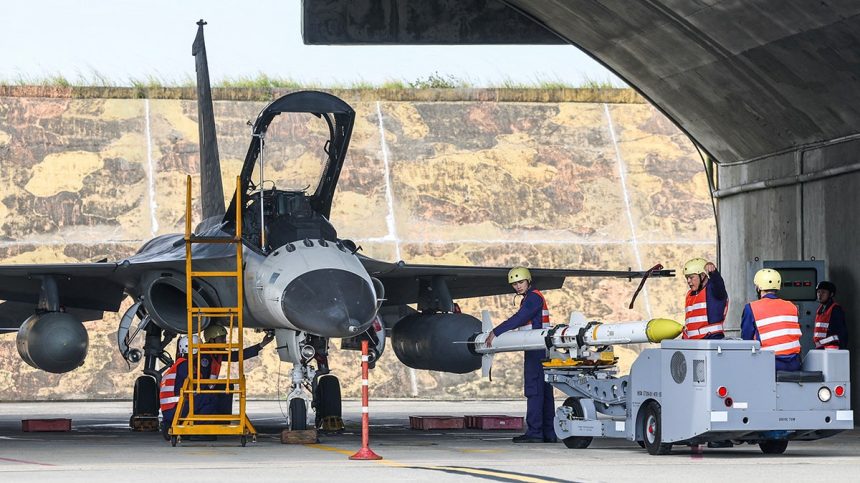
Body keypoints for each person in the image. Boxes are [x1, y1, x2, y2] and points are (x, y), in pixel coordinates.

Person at [484, 266, 555, 444]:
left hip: (535, 348)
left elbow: (520, 317)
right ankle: (549, 433)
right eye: (514, 284)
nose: (517, 286)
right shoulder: (534, 297)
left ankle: (535, 432)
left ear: (528, 281)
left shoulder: (532, 298)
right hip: (542, 347)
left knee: (534, 389)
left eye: (520, 282)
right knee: (545, 391)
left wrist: (496, 332)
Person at [196, 325, 274, 415]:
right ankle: (217, 417)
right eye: (221, 339)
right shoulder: (204, 355)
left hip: (209, 386)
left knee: (227, 387)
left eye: (224, 339)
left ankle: (224, 419)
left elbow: (236, 356)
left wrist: (261, 345)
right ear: (212, 340)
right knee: (215, 396)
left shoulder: (217, 352)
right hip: (201, 389)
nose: (225, 342)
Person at [741, 269, 802, 371]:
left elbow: (746, 340)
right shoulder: (792, 306)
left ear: (758, 287)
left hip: (769, 363)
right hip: (794, 363)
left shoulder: (751, 307)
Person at [159, 334, 198, 440]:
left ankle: (169, 425)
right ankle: (199, 432)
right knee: (207, 397)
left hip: (168, 411)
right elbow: (197, 384)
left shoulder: (177, 365)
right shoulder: (186, 366)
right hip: (175, 409)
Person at [682, 258, 727, 339]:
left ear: (702, 276)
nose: (688, 281)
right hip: (693, 342)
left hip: (712, 339)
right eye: (687, 278)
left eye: (691, 277)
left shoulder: (714, 290)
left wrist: (713, 272)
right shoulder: (689, 294)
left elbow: (718, 284)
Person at [814, 281, 848, 350]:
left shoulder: (835, 310)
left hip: (832, 350)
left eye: (823, 292)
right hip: (822, 349)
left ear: (831, 294)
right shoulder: (820, 310)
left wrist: (821, 343)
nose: (820, 295)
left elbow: (839, 335)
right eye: (818, 292)